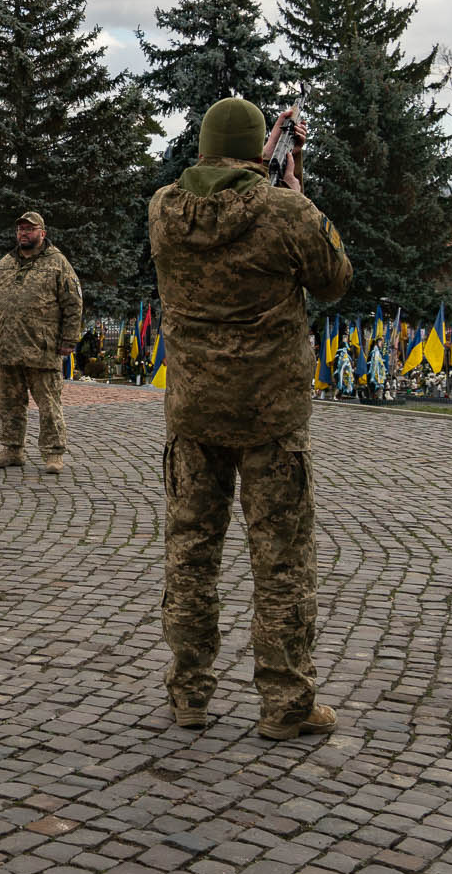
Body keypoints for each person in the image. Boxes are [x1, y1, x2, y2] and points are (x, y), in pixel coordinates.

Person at [148, 98, 351, 738]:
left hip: (194, 411)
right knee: (282, 562)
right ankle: (286, 704)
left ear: (204, 147)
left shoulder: (163, 210)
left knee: (190, 554)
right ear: (263, 146)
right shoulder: (286, 211)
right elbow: (334, 280)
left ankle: (188, 694)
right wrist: (296, 190)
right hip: (270, 415)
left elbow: (218, 210)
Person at [0, 211, 82, 474]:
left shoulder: (58, 263)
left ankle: (53, 453)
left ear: (42, 233)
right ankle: (12, 450)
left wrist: (69, 340)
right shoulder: (5, 263)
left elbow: (73, 305)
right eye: (20, 230)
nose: (24, 233)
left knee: (49, 404)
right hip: (10, 348)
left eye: (29, 229)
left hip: (43, 348)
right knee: (10, 403)